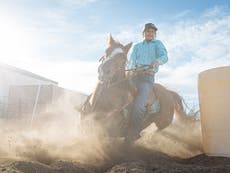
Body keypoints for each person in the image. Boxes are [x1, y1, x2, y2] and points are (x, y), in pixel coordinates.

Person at [125, 23, 168, 143]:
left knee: (139, 105)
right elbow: (132, 60)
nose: (150, 33)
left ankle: (134, 133)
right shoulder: (137, 46)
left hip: (147, 78)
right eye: (148, 31)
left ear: (154, 34)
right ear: (143, 33)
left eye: (152, 32)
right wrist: (133, 68)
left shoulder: (157, 44)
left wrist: (157, 61)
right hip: (133, 76)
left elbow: (164, 56)